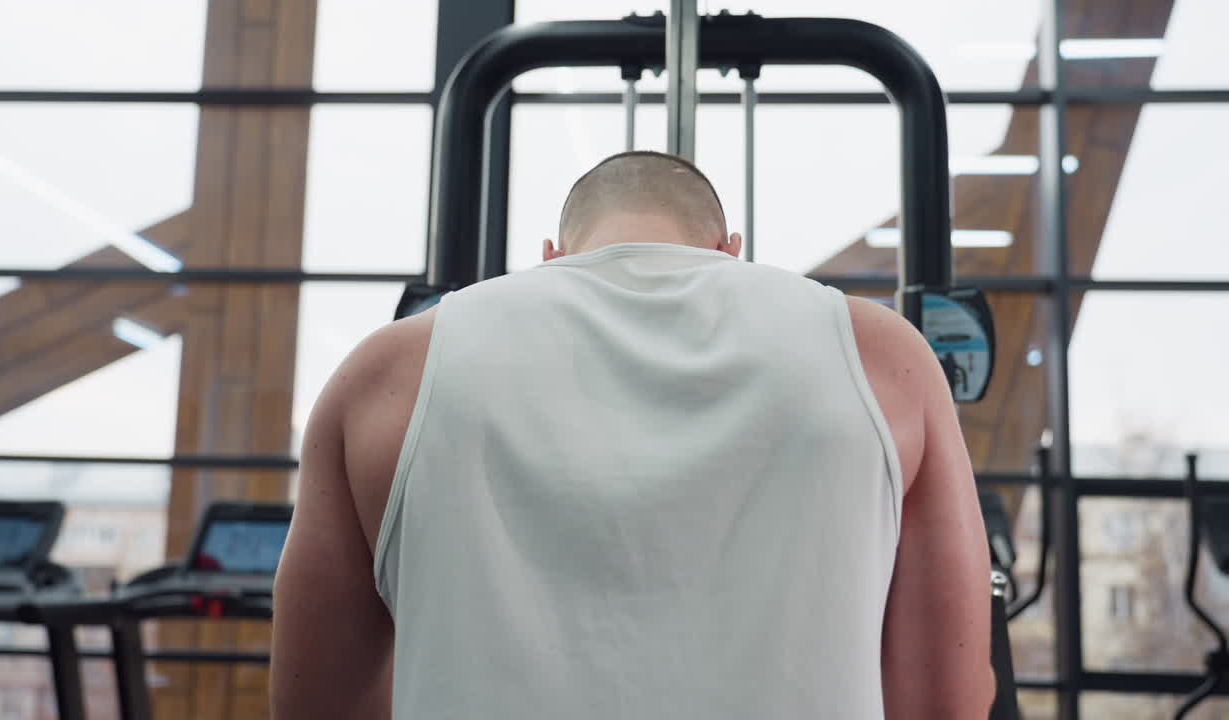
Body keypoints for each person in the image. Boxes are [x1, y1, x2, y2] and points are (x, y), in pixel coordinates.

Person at [271, 151, 994, 719]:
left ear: (552, 255)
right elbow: (944, 703)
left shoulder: (386, 372)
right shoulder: (886, 359)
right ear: (730, 248)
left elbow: (315, 705)